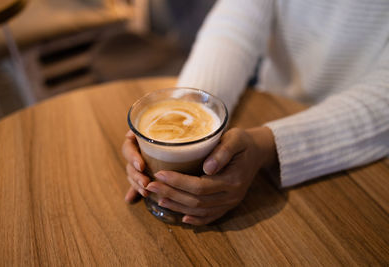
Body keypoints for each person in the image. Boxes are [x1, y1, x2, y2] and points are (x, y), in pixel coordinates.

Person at [123, 0, 389, 225]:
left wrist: (268, 145)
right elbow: (236, 25)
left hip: (359, 148)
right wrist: (194, 103)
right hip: (265, 109)